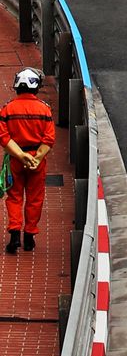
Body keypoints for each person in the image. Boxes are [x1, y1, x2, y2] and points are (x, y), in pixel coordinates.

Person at [0, 69, 55, 254]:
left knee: (14, 197)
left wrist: (21, 156)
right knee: (35, 199)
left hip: (15, 160)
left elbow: (3, 137)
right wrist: (36, 158)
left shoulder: (7, 109)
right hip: (37, 162)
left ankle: (15, 235)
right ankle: (29, 237)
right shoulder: (44, 109)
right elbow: (49, 138)